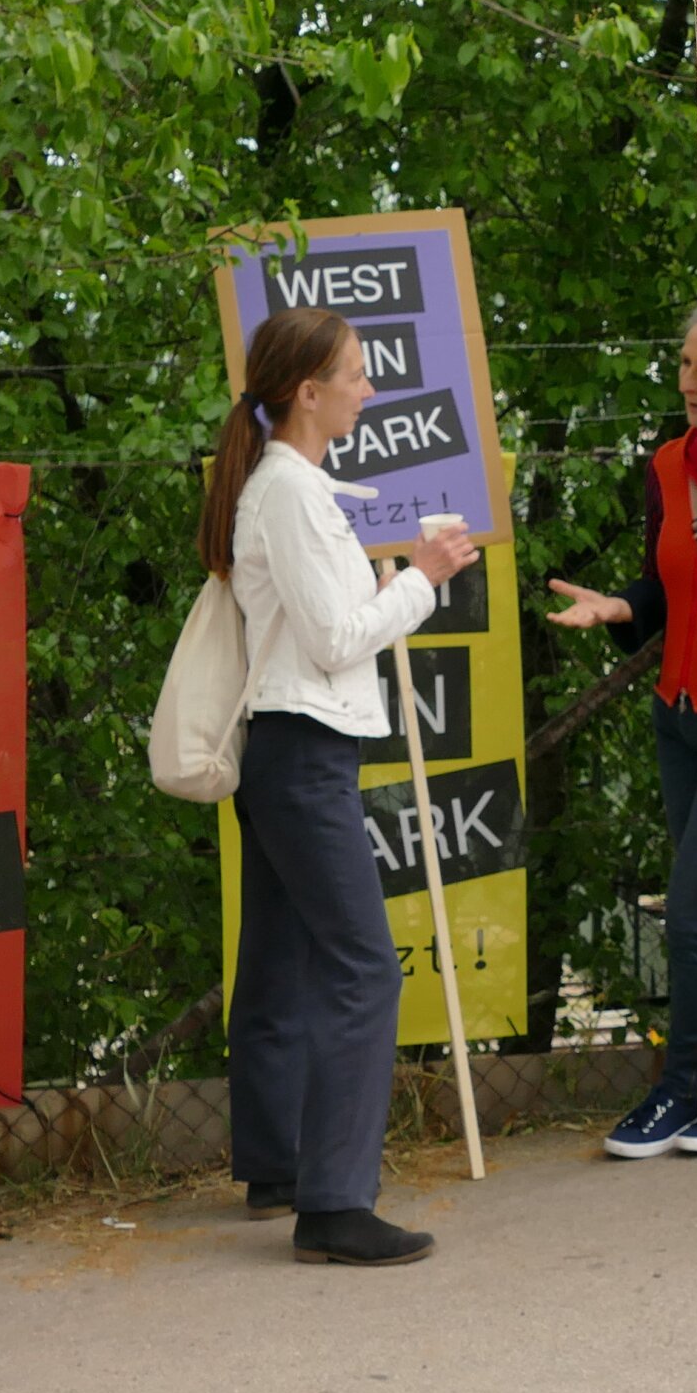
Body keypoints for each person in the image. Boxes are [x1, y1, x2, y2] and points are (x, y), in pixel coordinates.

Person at [200, 306, 481, 1267]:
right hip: (305, 751)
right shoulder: (289, 492)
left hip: (291, 752)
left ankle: (277, 1164)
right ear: (307, 392)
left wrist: (388, 569)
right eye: (356, 375)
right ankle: (333, 1204)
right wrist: (424, 579)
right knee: (364, 968)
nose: (370, 389)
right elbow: (332, 641)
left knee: (279, 962)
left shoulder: (293, 485)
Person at [548, 304, 697, 1161]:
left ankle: (683, 1094)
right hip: (676, 715)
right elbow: (664, 588)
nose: (687, 383)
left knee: (691, 920)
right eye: (684, 365)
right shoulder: (666, 467)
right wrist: (617, 606)